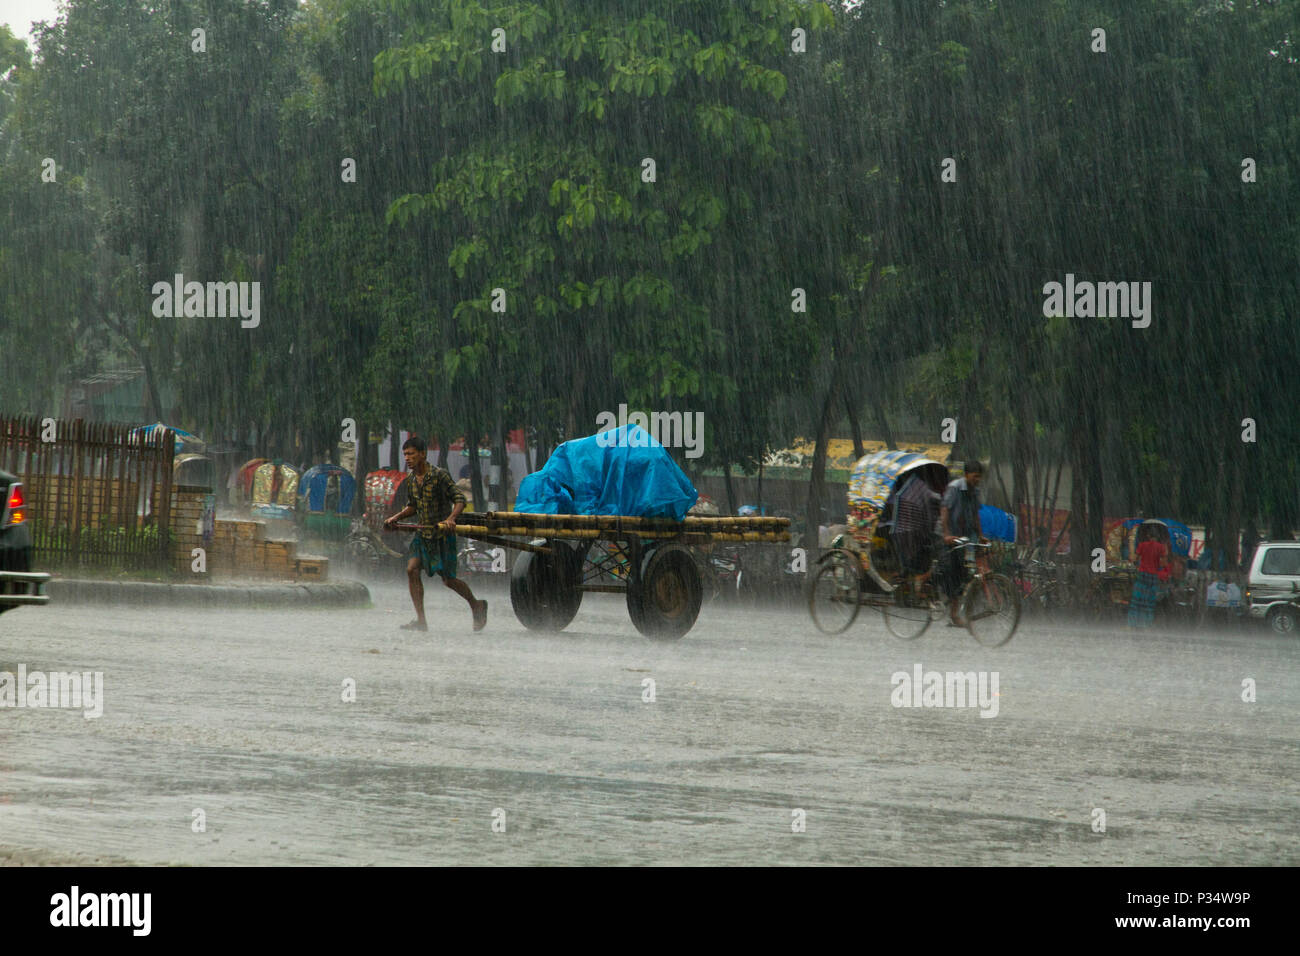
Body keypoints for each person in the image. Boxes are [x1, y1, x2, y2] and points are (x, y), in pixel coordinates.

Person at [384, 436, 487, 632]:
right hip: (423, 535)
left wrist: (450, 519)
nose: (408, 458)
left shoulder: (440, 475)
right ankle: (421, 620)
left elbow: (460, 499)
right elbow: (413, 506)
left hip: (442, 535)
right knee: (412, 569)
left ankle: (477, 604)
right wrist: (395, 518)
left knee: (448, 580)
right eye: (405, 454)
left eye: (411, 454)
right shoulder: (411, 480)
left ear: (423, 454)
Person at [937, 461, 987, 626]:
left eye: (979, 477)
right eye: (975, 476)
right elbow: (945, 510)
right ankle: (940, 598)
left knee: (961, 575)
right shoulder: (955, 488)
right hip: (947, 534)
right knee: (949, 572)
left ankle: (953, 614)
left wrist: (981, 535)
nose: (977, 480)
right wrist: (946, 534)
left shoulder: (975, 491)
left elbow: (975, 515)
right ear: (966, 475)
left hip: (962, 537)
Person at [1128, 524, 1168, 628]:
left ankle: (1132, 624)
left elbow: (1134, 559)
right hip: (1153, 576)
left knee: (1137, 601)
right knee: (1149, 602)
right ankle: (1146, 624)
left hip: (1142, 575)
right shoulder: (1161, 547)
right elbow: (1163, 564)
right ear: (1157, 536)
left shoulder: (1142, 545)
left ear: (1148, 535)